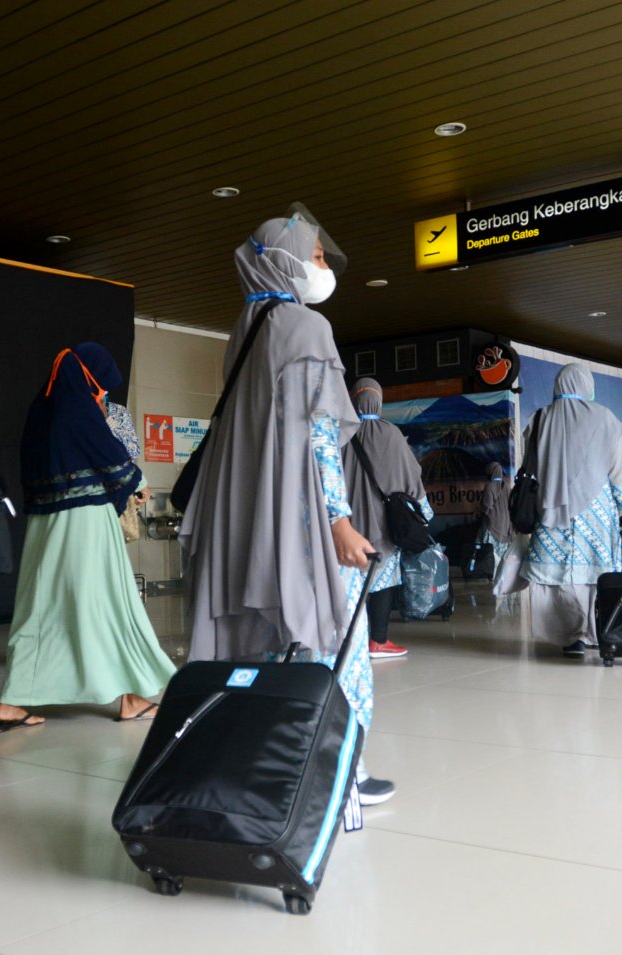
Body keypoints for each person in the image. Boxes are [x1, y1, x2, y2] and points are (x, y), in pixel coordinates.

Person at [179, 206, 396, 806]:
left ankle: (264, 766)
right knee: (331, 641)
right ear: (283, 261)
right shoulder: (304, 328)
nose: (324, 267)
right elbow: (318, 436)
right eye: (318, 256)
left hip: (246, 521)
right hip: (299, 522)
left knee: (264, 648)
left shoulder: (246, 326)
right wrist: (340, 522)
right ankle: (338, 772)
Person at [0, 342, 174, 730]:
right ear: (91, 377)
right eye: (101, 385)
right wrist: (134, 479)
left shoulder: (43, 409)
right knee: (107, 602)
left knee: (41, 607)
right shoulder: (78, 408)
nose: (103, 393)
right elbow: (110, 454)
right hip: (84, 519)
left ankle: (14, 701)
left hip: (45, 521)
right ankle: (132, 697)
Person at [518, 363, 622, 658]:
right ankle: (600, 630)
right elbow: (618, 472)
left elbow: (532, 467)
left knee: (557, 575)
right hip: (595, 512)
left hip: (550, 509)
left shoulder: (539, 419)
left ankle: (571, 636)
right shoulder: (605, 418)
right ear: (586, 385)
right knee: (593, 574)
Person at [341, 378, 433, 660]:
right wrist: (425, 513)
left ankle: (346, 641)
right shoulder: (392, 435)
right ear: (378, 400)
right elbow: (412, 477)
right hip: (385, 525)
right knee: (383, 582)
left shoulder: (340, 434)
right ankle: (377, 641)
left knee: (348, 583)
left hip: (345, 527)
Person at [478, 460, 521, 595]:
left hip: (492, 525)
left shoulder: (490, 486)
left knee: (487, 551)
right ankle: (500, 577)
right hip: (504, 526)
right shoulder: (507, 486)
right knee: (501, 555)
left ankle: (488, 575)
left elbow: (486, 508)